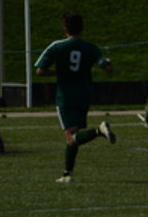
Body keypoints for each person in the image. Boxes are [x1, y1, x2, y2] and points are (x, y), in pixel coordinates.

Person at [35, 12, 116, 183]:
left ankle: (99, 130)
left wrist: (58, 72)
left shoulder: (57, 46)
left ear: (65, 28)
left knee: (71, 137)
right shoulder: (90, 48)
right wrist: (106, 62)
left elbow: (40, 70)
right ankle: (67, 174)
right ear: (82, 28)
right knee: (74, 137)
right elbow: (108, 68)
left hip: (66, 96)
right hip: (85, 94)